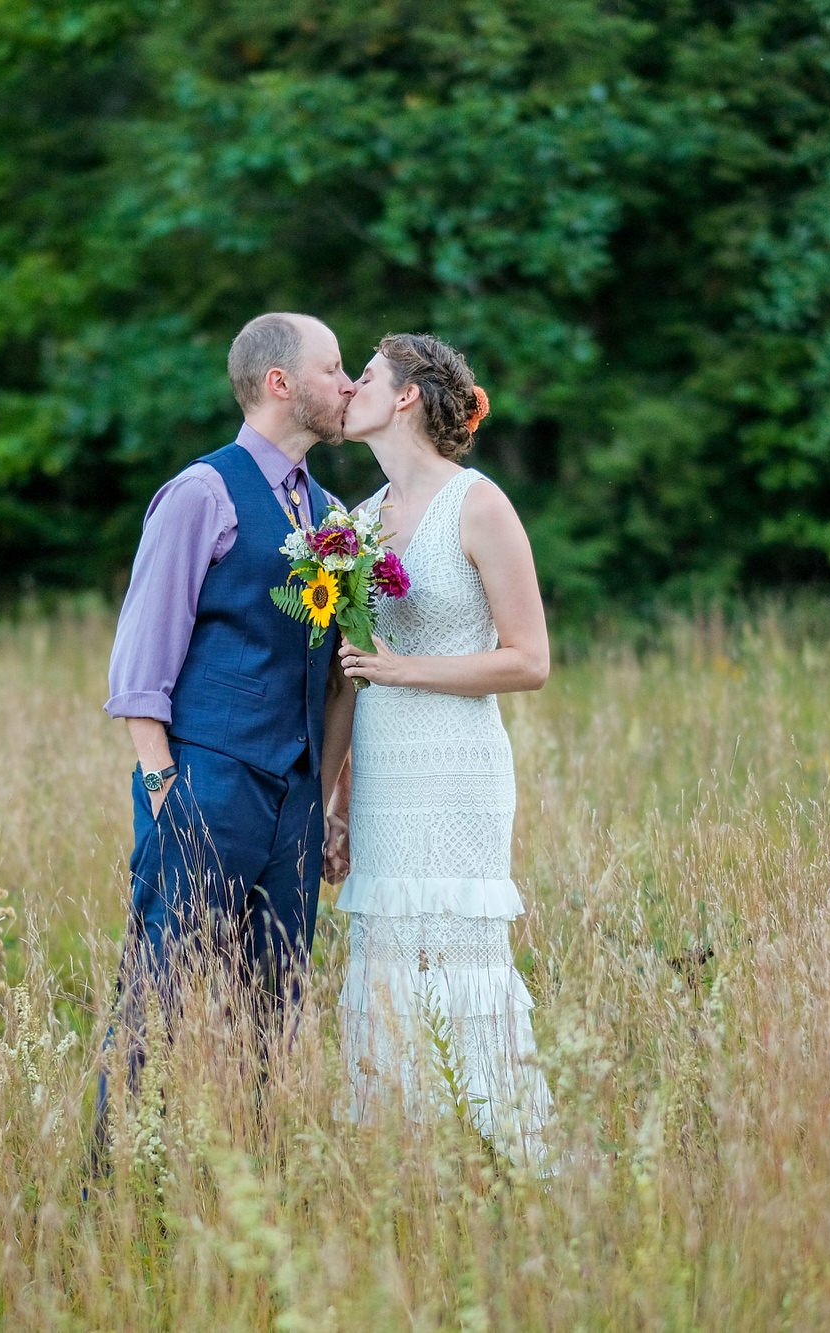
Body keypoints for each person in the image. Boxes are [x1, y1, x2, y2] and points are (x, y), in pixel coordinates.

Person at [97, 311, 355, 1136]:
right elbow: (142, 659)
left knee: (274, 1010)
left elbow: (337, 676)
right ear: (280, 384)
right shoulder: (201, 494)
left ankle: (254, 1178)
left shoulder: (334, 514)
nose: (348, 385)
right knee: (157, 995)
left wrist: (331, 801)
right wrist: (165, 782)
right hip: (205, 784)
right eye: (334, 369)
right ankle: (114, 1184)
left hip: (296, 798)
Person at [322, 332, 554, 1167]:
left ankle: (505, 1152)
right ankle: (404, 1163)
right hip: (381, 777)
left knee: (457, 958)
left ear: (409, 396)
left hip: (458, 770)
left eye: (368, 377)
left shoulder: (479, 504)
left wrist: (403, 668)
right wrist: (331, 805)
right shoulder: (354, 525)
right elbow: (347, 682)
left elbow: (529, 659)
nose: (350, 387)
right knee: (385, 961)